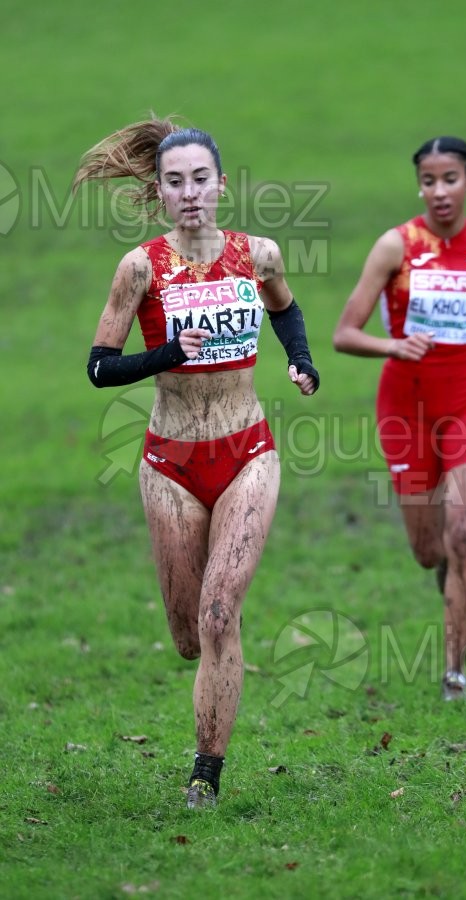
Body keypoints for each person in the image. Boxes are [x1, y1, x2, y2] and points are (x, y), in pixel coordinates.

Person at [73, 117, 319, 807]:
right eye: (174, 182)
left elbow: (286, 310)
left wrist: (301, 361)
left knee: (219, 616)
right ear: (159, 188)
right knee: (187, 636)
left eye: (199, 180)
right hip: (170, 462)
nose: (189, 193)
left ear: (221, 184)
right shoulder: (140, 266)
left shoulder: (258, 254)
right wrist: (166, 356)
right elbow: (98, 368)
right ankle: (203, 674)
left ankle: (204, 775)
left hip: (247, 451)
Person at [333, 136, 466, 701]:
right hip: (405, 406)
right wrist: (393, 346)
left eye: (450, 179)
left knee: (462, 532)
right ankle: (444, 571)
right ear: (420, 186)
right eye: (429, 181)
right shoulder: (395, 246)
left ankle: (455, 671)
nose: (440, 191)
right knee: (430, 549)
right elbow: (344, 334)